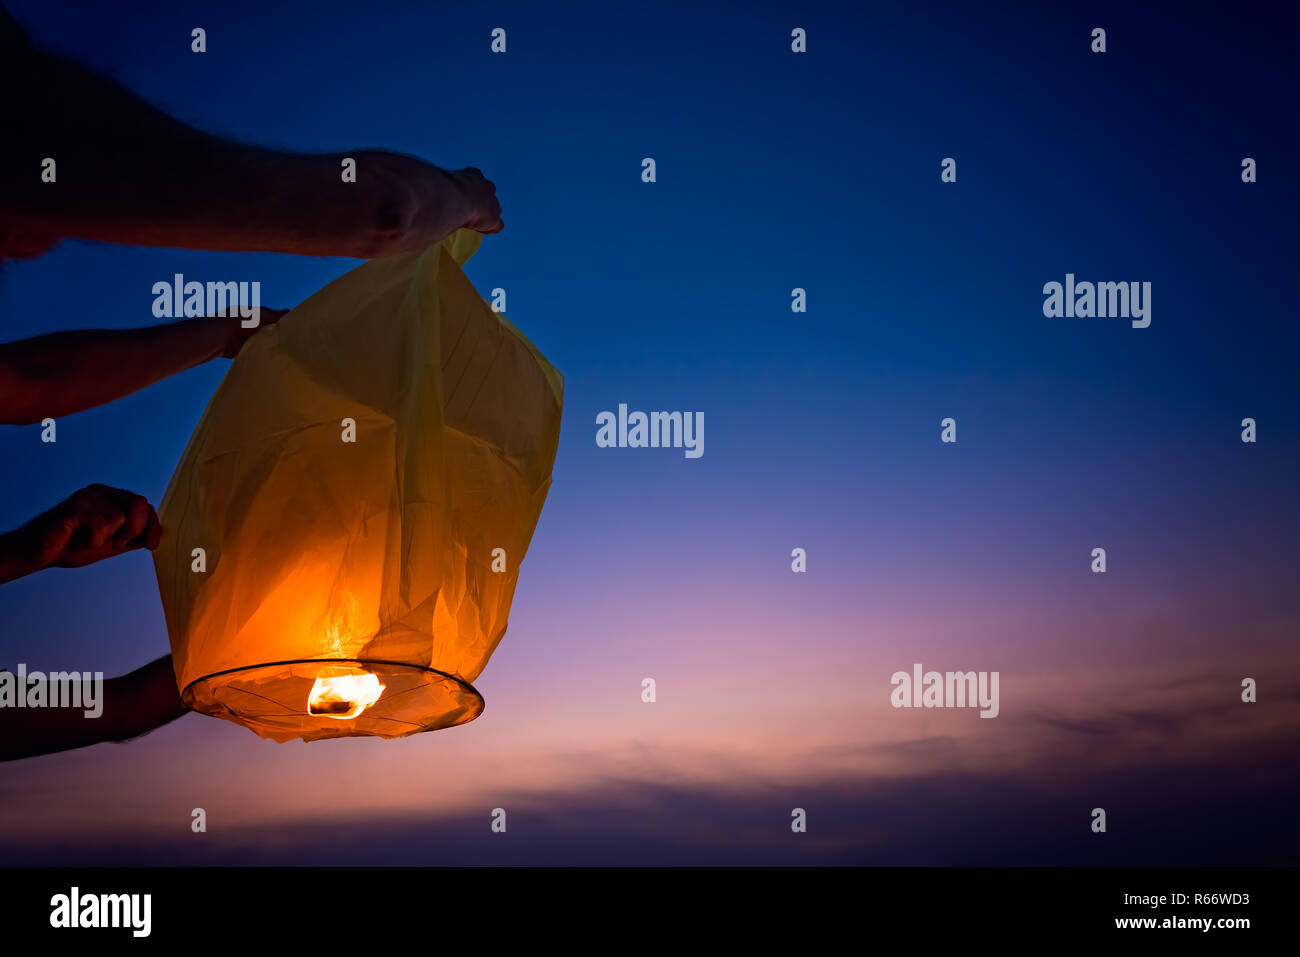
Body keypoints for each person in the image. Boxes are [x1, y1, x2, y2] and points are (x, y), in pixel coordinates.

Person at [0, 3, 503, 761]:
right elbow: (383, 211)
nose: (32, 250)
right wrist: (467, 197)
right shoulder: (27, 132)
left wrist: (21, 552)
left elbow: (27, 384)